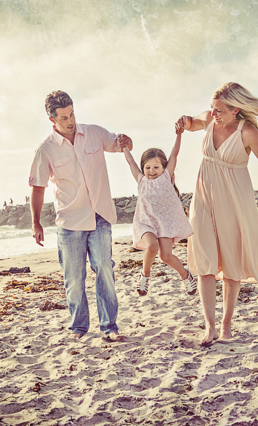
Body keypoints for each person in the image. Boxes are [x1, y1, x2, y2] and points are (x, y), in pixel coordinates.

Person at [177, 82, 258, 346]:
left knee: (231, 265)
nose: (213, 114)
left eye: (219, 110)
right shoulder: (209, 121)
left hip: (233, 200)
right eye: (212, 109)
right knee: (204, 261)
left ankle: (226, 325)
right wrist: (185, 122)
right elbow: (192, 122)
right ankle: (209, 326)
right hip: (204, 197)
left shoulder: (248, 132)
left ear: (236, 110)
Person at [29, 90, 132, 341]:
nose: (70, 120)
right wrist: (36, 222)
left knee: (104, 269)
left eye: (72, 114)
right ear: (52, 119)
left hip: (100, 215)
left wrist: (126, 140)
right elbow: (38, 187)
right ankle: (79, 326)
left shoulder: (94, 133)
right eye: (63, 117)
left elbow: (118, 144)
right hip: (70, 222)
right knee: (74, 278)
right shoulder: (46, 150)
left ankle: (109, 326)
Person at [122, 121, 196, 296]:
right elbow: (131, 162)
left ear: (163, 167)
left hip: (164, 222)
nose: (152, 171)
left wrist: (179, 134)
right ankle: (145, 275)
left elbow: (174, 154)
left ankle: (186, 276)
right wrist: (124, 147)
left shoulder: (165, 177)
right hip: (145, 222)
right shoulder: (141, 179)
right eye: (147, 167)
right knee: (152, 247)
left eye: (156, 167)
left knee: (166, 257)